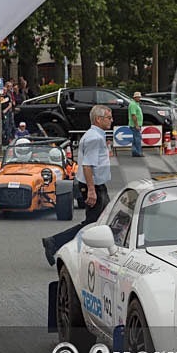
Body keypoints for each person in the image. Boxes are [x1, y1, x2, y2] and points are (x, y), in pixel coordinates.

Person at [42, 105, 113, 266]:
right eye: (109, 117)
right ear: (98, 119)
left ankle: (76, 249)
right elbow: (88, 165)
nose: (111, 120)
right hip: (94, 185)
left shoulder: (94, 135)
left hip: (96, 184)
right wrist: (92, 190)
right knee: (93, 223)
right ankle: (55, 242)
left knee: (102, 220)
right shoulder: (94, 138)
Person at [129, 91, 144, 157]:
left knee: (136, 138)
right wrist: (137, 125)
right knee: (137, 139)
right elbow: (133, 115)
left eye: (139, 97)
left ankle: (135, 152)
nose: (139, 98)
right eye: (138, 97)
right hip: (135, 125)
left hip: (136, 124)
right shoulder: (133, 104)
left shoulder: (135, 104)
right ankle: (138, 152)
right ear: (134, 97)